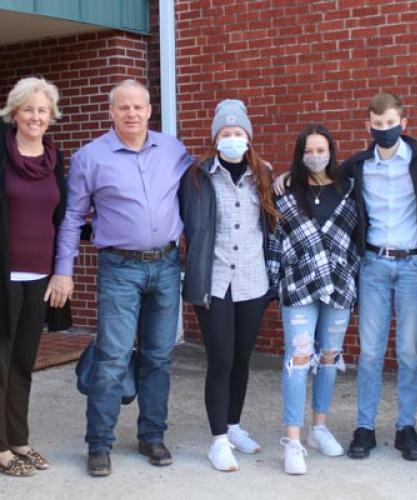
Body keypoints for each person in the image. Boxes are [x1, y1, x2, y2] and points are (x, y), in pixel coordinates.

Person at [47, 79, 193, 477]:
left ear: (149, 110)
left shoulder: (173, 151)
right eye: (124, 107)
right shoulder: (90, 157)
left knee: (158, 357)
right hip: (119, 269)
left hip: (165, 265)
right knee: (111, 358)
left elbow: (206, 185)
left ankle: (152, 435)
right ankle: (99, 444)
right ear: (111, 112)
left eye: (139, 107)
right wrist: (64, 270)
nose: (132, 113)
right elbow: (73, 217)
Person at [179, 99, 276, 472]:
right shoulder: (198, 176)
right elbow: (189, 224)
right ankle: (218, 440)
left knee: (241, 360)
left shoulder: (263, 174)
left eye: (238, 133)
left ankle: (234, 426)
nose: (233, 138)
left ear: (248, 138)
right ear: (215, 139)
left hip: (252, 281)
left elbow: (269, 225)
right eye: (226, 133)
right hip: (215, 281)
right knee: (220, 360)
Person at [342, 92, 417, 461]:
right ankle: (365, 427)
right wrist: (284, 177)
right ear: (368, 126)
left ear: (403, 123)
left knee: (410, 353)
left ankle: (406, 428)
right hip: (374, 265)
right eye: (377, 125)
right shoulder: (358, 165)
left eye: (390, 123)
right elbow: (320, 178)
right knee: (370, 352)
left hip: (413, 266)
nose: (385, 129)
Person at [267, 124, 359, 475]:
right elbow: (276, 238)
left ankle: (319, 427)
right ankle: (293, 441)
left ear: (331, 152)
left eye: (322, 150)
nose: (316, 156)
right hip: (299, 283)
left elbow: (354, 238)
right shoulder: (287, 190)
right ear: (300, 153)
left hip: (339, 284)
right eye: (310, 150)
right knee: (299, 357)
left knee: (329, 356)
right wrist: (273, 282)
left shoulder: (348, 188)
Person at [0, 77, 67, 476]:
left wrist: (63, 270)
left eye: (42, 110)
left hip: (40, 276)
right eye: (28, 109)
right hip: (3, 275)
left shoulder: (55, 158)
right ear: (14, 113)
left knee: (24, 361)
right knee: (0, 364)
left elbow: (62, 217)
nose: (36, 116)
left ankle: (19, 439)